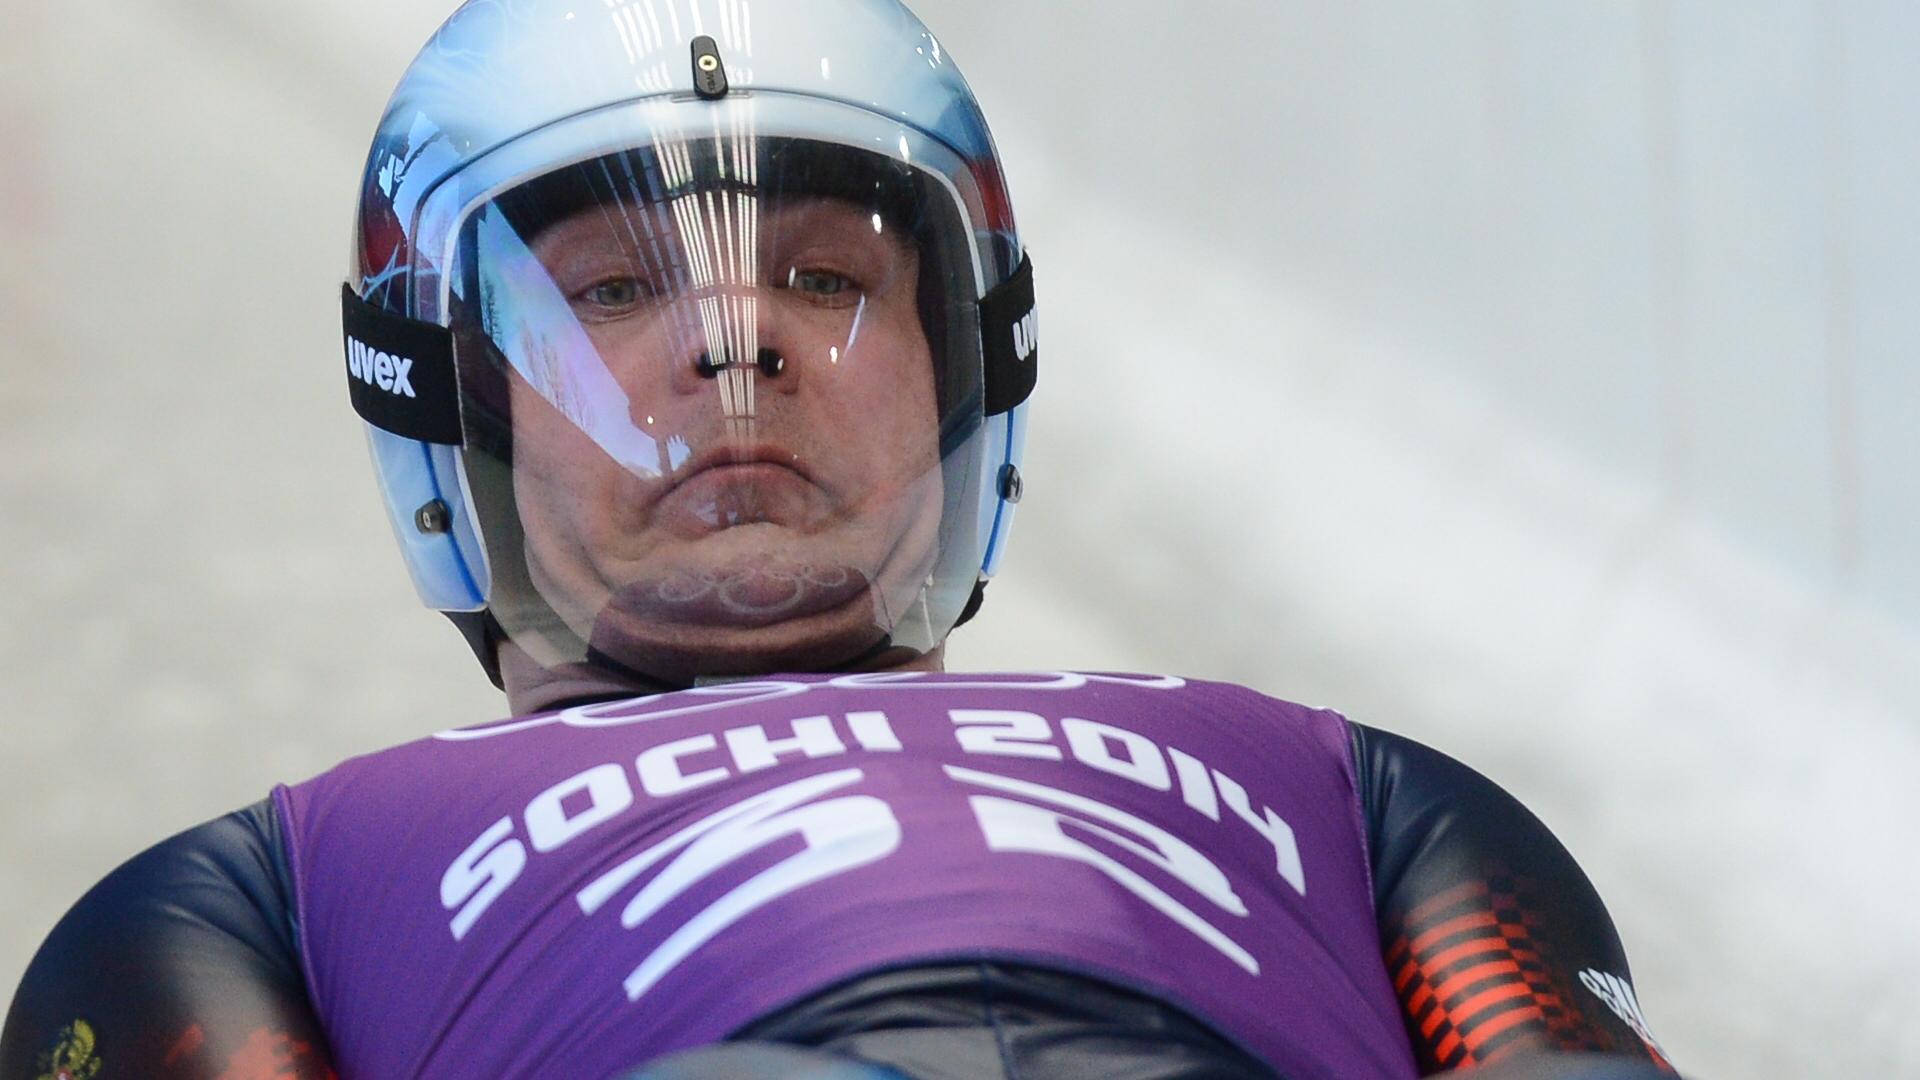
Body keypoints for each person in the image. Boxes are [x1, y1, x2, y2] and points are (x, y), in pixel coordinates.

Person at [0, 2, 1681, 1077]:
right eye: (611, 291)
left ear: (964, 367)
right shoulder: (252, 900)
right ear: (453, 406)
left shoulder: (1365, 795)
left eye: (823, 276)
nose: (735, 342)